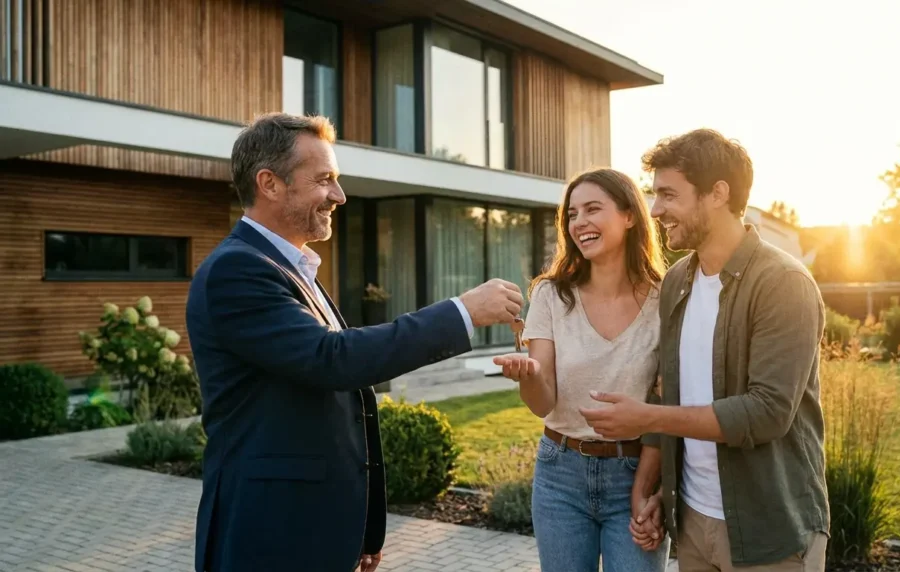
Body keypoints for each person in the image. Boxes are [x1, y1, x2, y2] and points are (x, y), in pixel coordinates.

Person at [185, 112, 524, 572]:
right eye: (325, 180)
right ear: (270, 183)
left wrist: (359, 531)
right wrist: (462, 312)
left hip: (314, 530)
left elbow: (338, 400)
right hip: (269, 533)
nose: (339, 196)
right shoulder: (237, 271)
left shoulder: (290, 267)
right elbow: (334, 360)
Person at [578, 129, 830, 572]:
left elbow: (766, 412)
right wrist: (649, 490)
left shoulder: (781, 283)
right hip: (693, 526)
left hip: (769, 531)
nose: (656, 211)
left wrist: (646, 418)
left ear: (718, 193)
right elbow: (666, 394)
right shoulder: (678, 282)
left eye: (669, 195)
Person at [492, 168, 670, 571]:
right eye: (572, 214)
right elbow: (542, 404)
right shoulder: (552, 295)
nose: (579, 223)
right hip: (560, 474)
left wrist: (647, 485)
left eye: (593, 209)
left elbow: (667, 403)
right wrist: (530, 375)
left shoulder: (667, 297)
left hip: (636, 471)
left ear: (629, 216)